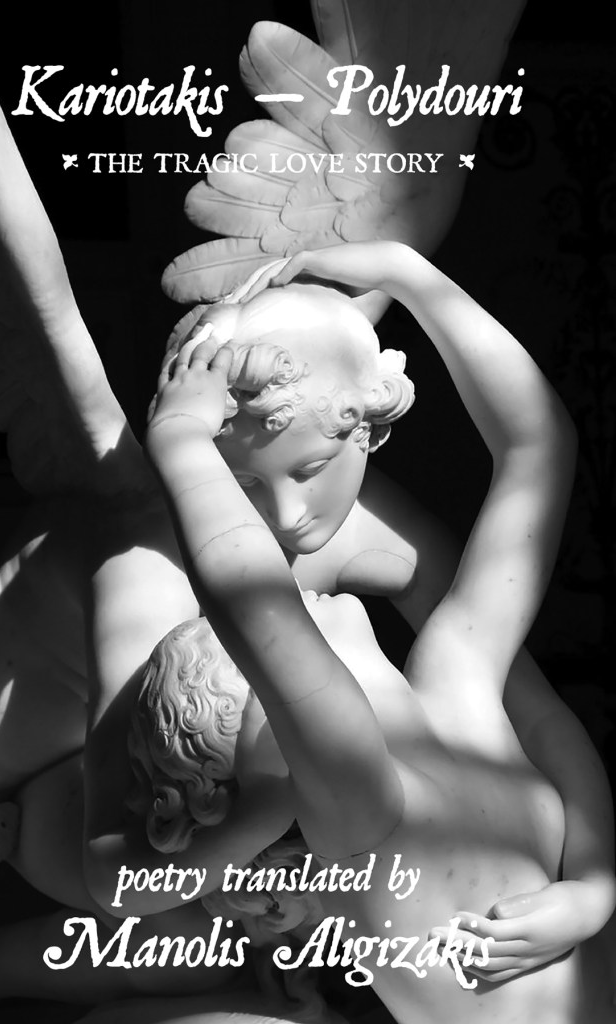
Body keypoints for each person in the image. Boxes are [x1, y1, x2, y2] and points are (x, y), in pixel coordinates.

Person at [142, 240, 615, 1022]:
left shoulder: (453, 679)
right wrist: (179, 440)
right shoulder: (358, 808)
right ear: (272, 734)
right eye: (259, 662)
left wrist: (408, 272)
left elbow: (537, 449)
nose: (293, 573)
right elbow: (243, 595)